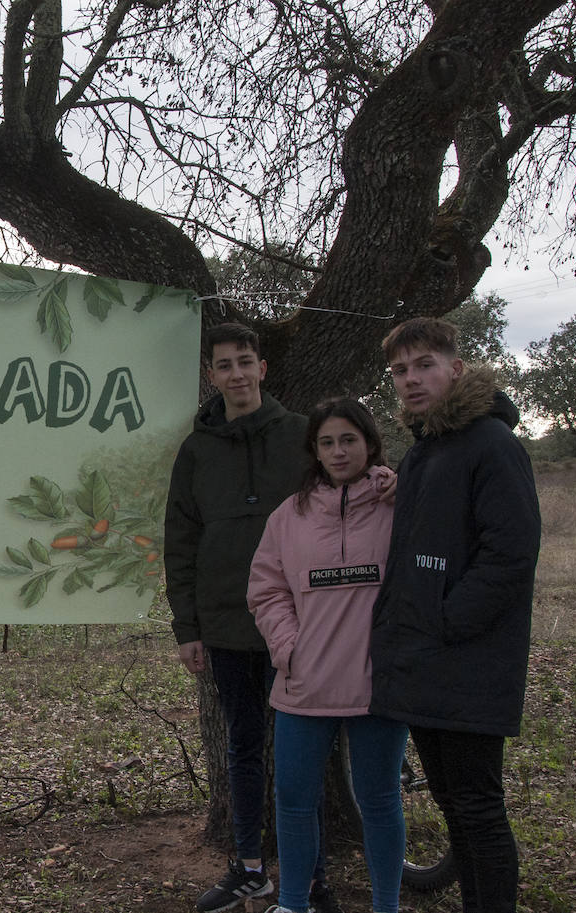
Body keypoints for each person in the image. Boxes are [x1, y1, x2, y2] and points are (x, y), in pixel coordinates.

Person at [163, 322, 339, 913]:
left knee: (303, 755)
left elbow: (339, 508)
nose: (236, 374)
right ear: (210, 376)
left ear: (263, 368)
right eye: (224, 365)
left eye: (245, 362)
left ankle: (313, 878)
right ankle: (250, 869)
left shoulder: (301, 436)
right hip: (225, 626)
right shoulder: (196, 450)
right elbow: (180, 541)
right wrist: (187, 628)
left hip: (298, 626)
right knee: (243, 746)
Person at [369, 318, 540, 913]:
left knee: (478, 809)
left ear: (456, 369)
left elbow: (511, 554)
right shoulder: (425, 453)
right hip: (424, 661)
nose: (411, 380)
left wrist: (447, 620)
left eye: (424, 366)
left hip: (467, 662)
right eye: (400, 371)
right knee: (452, 804)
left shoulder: (493, 445)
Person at [249, 398, 407, 913]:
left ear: (370, 444)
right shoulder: (288, 515)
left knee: (380, 803)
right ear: (314, 451)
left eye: (348, 440)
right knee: (294, 804)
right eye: (326, 442)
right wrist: (289, 648)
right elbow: (267, 589)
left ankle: (387, 905)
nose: (338, 452)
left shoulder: (397, 506)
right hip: (304, 683)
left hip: (377, 686)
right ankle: (294, 903)